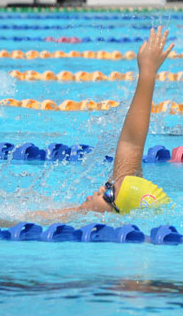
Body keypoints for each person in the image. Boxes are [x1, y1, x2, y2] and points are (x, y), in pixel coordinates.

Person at [31, 26, 175, 217]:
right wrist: (148, 71)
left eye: (108, 193)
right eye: (108, 186)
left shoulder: (69, 227)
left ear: (118, 211)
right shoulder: (103, 211)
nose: (100, 188)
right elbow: (130, 143)